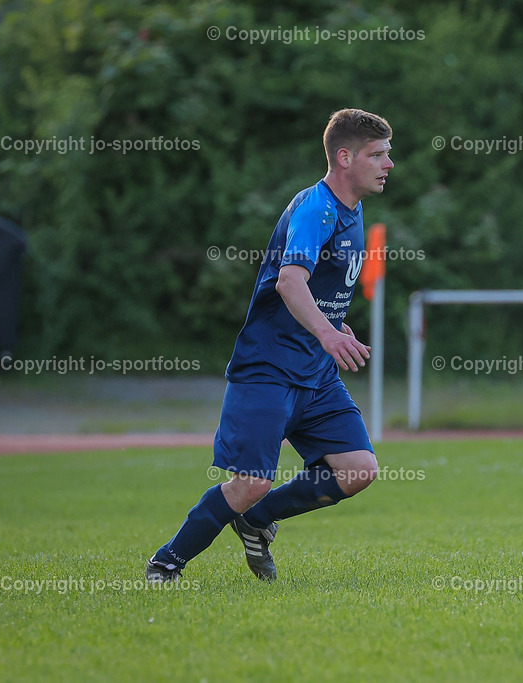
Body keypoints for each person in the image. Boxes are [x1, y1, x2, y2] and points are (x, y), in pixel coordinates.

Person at [146, 108, 394, 581]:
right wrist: (325, 332)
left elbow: (319, 292)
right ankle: (167, 562)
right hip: (269, 368)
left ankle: (256, 522)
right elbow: (289, 282)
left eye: (388, 154)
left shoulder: (352, 209)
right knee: (251, 483)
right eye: (377, 154)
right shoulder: (315, 209)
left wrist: (335, 328)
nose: (388, 164)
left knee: (359, 468)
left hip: (315, 372)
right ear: (345, 157)